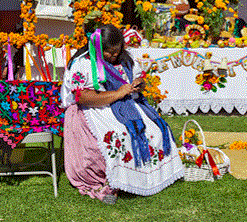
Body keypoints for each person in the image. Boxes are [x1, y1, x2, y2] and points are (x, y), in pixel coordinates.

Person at [61, 25, 183, 204]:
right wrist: (118, 93)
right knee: (117, 137)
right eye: (109, 52)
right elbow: (82, 97)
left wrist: (138, 84)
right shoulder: (84, 63)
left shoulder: (126, 59)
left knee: (155, 131)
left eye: (117, 51)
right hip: (92, 109)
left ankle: (149, 177)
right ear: (97, 48)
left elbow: (139, 78)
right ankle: (113, 180)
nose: (114, 56)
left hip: (125, 105)